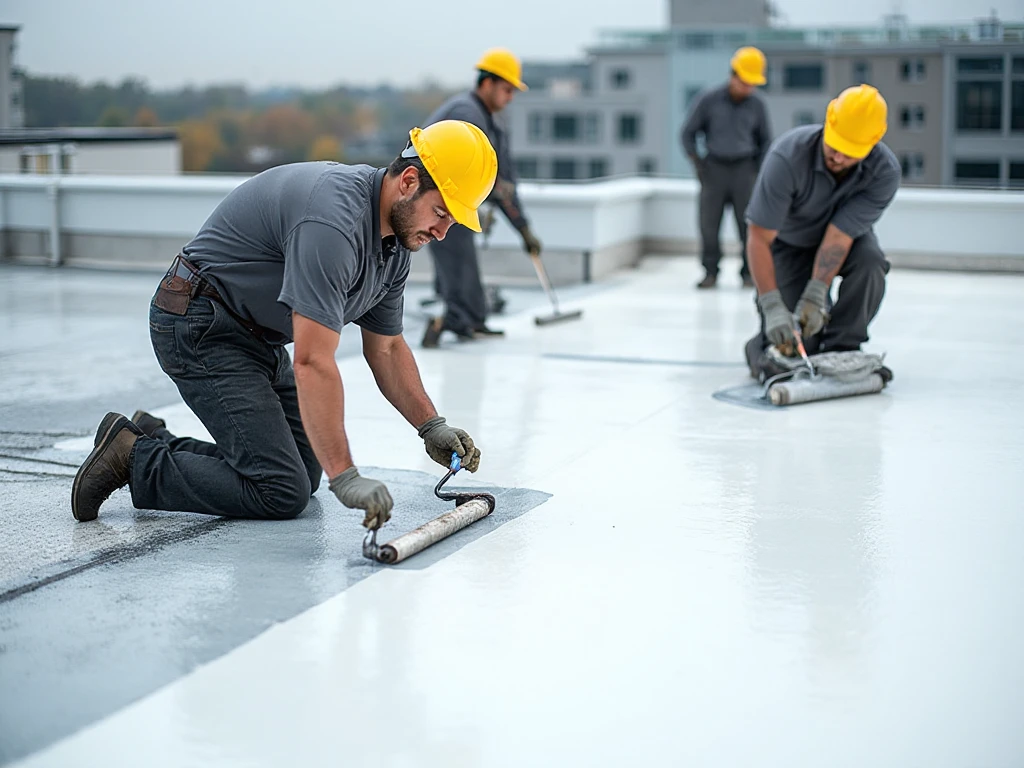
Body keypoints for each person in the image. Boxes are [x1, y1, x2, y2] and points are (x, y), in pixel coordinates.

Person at [71, 120, 498, 531]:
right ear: (408, 181)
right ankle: (132, 456)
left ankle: (147, 437)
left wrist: (430, 426)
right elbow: (313, 361)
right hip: (200, 322)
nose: (442, 233)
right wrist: (346, 475)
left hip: (256, 336)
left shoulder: (394, 247)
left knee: (304, 468)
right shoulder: (333, 222)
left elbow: (385, 348)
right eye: (441, 213)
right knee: (280, 490)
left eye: (452, 222)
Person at [743, 84, 901, 378]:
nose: (839, 158)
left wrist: (816, 295)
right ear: (828, 121)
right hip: (787, 246)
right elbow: (758, 237)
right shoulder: (787, 157)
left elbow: (840, 236)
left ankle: (843, 348)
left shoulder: (884, 172)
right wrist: (772, 305)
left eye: (851, 153)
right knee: (795, 340)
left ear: (873, 142)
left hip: (844, 243)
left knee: (870, 261)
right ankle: (759, 345)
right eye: (835, 147)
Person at [420, 47, 543, 348]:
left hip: (452, 199)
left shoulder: (488, 118)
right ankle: (452, 321)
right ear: (486, 83)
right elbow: (483, 174)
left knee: (464, 263)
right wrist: (515, 219)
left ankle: (471, 322)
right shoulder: (467, 114)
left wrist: (522, 227)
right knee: (458, 262)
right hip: (436, 200)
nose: (510, 97)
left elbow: (503, 176)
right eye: (506, 89)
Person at [681, 46, 772, 290]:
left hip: (745, 169)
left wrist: (757, 171)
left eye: (751, 83)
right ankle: (710, 272)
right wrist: (698, 164)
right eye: (744, 82)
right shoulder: (708, 100)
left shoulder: (757, 105)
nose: (747, 88)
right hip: (715, 169)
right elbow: (688, 133)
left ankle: (748, 273)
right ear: (733, 75)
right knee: (709, 226)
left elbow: (765, 141)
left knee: (749, 227)